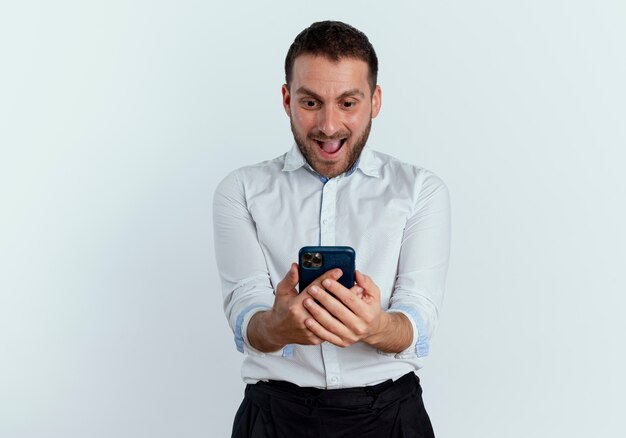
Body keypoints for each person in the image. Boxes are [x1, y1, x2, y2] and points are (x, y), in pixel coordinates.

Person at [213, 20, 451, 438]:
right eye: (310, 103)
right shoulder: (241, 190)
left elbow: (418, 315)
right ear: (287, 100)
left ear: (374, 101)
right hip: (274, 419)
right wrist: (276, 325)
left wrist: (377, 327)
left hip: (391, 417)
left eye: (347, 102)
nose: (328, 126)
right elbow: (245, 309)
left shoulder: (420, 190)